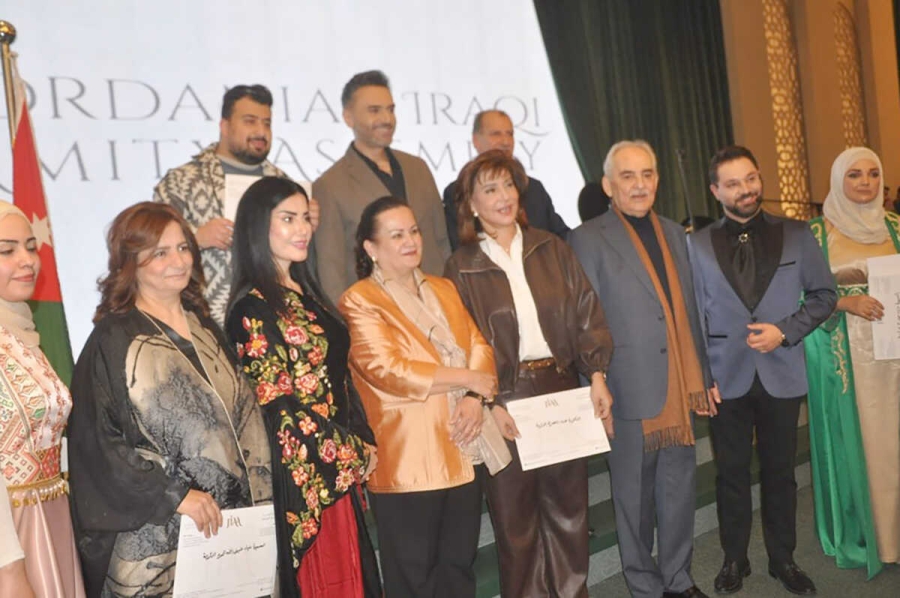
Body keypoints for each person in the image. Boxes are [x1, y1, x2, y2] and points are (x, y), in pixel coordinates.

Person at [67, 202, 272, 597]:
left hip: (231, 530)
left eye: (183, 248)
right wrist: (173, 496)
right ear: (130, 262)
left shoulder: (205, 326)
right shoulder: (113, 339)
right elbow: (97, 445)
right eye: (160, 253)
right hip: (158, 538)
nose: (178, 261)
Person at [443, 150, 614, 597]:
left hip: (560, 388)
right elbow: (461, 343)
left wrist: (597, 375)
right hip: (505, 399)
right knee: (515, 523)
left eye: (508, 185)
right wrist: (489, 403)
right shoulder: (460, 265)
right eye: (490, 189)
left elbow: (586, 312)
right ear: (471, 204)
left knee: (569, 513)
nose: (503, 196)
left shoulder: (551, 247)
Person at [569, 140, 717, 598]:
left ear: (658, 180)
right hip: (625, 386)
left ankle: (678, 578)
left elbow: (689, 309)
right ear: (608, 185)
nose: (639, 185)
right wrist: (593, 384)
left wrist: (704, 375)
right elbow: (583, 320)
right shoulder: (587, 237)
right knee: (632, 499)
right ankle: (645, 586)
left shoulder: (674, 232)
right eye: (628, 176)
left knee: (679, 490)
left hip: (679, 384)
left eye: (647, 174)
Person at [338, 196, 503, 598]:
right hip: (408, 459)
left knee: (458, 566)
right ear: (371, 248)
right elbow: (388, 369)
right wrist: (468, 379)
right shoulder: (359, 300)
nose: (411, 240)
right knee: (413, 578)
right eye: (396, 235)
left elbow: (479, 345)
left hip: (463, 442)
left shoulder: (444, 288)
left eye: (413, 231)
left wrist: (473, 396)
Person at [690, 145, 837, 596]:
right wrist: (700, 378)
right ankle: (734, 559)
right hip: (724, 377)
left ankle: (783, 559)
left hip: (781, 371)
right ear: (716, 191)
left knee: (781, 473)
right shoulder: (696, 244)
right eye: (733, 183)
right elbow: (692, 318)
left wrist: (784, 331)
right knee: (731, 475)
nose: (746, 189)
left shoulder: (797, 233)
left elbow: (825, 296)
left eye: (751, 178)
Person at [225, 177, 381, 597]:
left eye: (305, 218)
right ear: (258, 226)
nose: (302, 229)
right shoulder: (252, 307)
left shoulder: (307, 291)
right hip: (303, 478)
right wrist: (349, 451)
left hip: (336, 468)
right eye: (288, 219)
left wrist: (363, 438)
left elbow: (340, 377)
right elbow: (278, 407)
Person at [804, 147, 900, 577]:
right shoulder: (815, 234)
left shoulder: (895, 226)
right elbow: (798, 295)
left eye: (873, 174)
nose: (865, 182)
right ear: (838, 180)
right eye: (855, 174)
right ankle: (869, 537)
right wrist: (845, 302)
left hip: (894, 360)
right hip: (846, 358)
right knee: (861, 444)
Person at [154, 83, 318, 326]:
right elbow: (152, 246)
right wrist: (196, 239)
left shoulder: (286, 185)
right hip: (204, 322)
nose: (261, 131)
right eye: (250, 121)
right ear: (224, 126)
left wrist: (308, 222)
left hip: (275, 323)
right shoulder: (182, 181)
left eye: (267, 123)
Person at [0, 200, 85, 598]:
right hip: (11, 539)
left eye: (31, 247)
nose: (28, 260)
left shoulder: (21, 331)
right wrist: (9, 568)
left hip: (49, 520)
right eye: (7, 250)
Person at [313, 70, 451, 304]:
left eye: (391, 109)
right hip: (378, 311)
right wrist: (349, 320)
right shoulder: (330, 185)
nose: (387, 119)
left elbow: (442, 242)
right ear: (348, 117)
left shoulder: (418, 168)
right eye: (374, 110)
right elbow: (331, 271)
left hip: (436, 303)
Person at [442, 110, 569, 248]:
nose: (506, 142)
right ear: (476, 140)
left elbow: (563, 238)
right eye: (496, 134)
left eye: (510, 134)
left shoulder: (533, 188)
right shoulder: (459, 190)